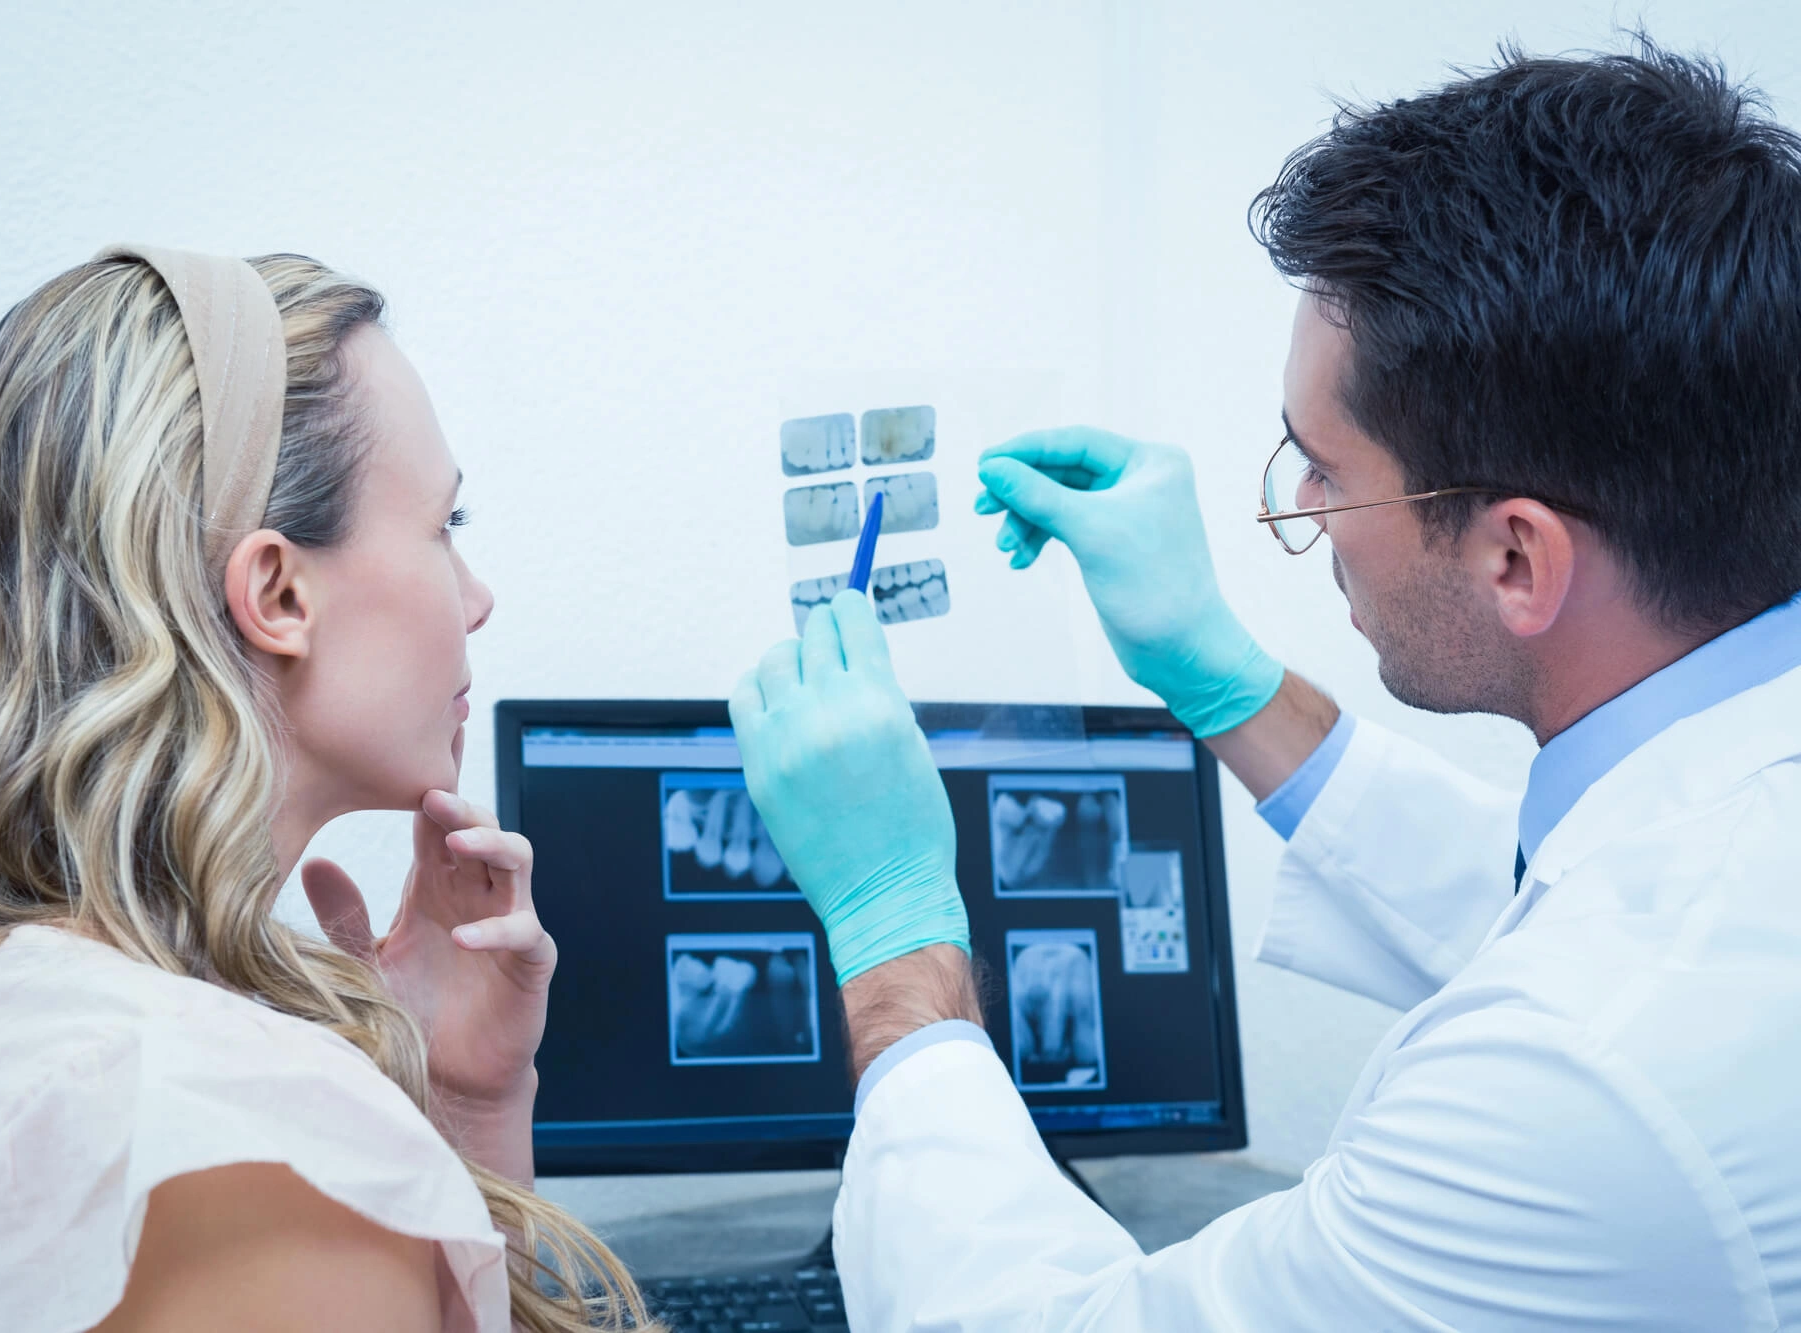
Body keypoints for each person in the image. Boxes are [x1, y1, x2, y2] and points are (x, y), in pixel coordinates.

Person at [732, 41, 1801, 1329]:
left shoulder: (1577, 1085)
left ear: (1516, 554)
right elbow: (1552, 901)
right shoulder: (1720, 831)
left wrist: (891, 932)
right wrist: (1218, 677)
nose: (1294, 509)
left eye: (1322, 465)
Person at [0, 248, 659, 1331]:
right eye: (446, 527)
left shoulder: (17, 1007)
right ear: (276, 591)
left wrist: (463, 1106)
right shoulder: (240, 1137)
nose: (475, 599)